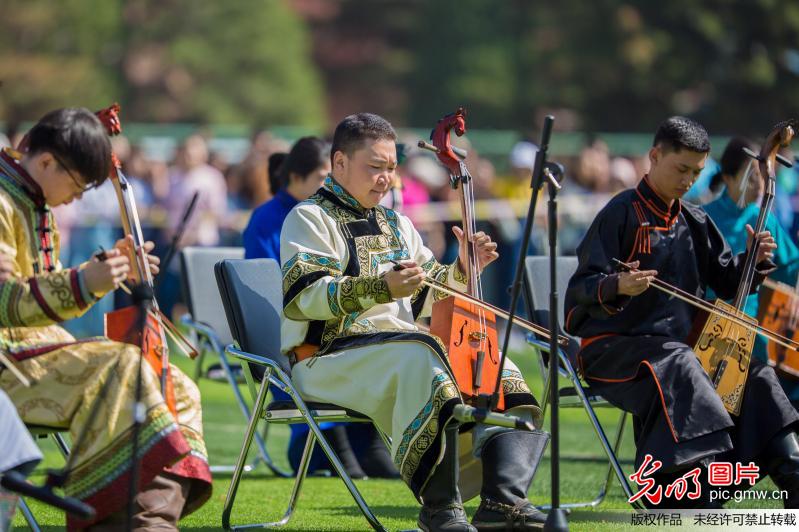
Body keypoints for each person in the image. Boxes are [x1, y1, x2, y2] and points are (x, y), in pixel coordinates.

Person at [280, 113, 548, 531]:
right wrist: (382, 287)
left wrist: (463, 268)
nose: (386, 177)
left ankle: (503, 501)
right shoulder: (309, 218)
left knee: (494, 366)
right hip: (324, 357)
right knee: (422, 355)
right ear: (339, 163)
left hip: (396, 350)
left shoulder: (397, 223)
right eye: (374, 167)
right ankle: (440, 509)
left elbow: (428, 293)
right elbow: (303, 298)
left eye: (390, 167)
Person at [565, 116, 799, 508]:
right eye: (681, 169)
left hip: (675, 355)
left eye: (696, 172)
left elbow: (729, 284)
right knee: (681, 361)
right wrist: (617, 285)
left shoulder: (696, 220)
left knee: (754, 374)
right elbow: (580, 291)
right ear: (654, 156)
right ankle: (677, 491)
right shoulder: (619, 212)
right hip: (614, 351)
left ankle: (793, 475)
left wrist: (753, 262)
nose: (688, 180)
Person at [0, 108, 212, 530]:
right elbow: (5, 300)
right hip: (10, 358)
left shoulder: (32, 201)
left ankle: (150, 522)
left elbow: (45, 288)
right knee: (123, 367)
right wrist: (86, 281)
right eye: (77, 187)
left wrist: (110, 267)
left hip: (38, 349)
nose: (77, 199)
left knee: (176, 383)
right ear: (45, 162)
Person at [244, 137, 399, 479]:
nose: (329, 184)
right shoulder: (270, 218)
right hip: (291, 330)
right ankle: (315, 444)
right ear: (297, 177)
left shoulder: (335, 214)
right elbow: (275, 288)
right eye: (321, 176)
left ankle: (366, 440)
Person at [703, 137, 799, 410]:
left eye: (764, 176)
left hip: (758, 322)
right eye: (753, 176)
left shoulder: (763, 216)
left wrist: (778, 301)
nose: (761, 185)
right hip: (710, 320)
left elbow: (791, 264)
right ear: (727, 177)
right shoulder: (702, 216)